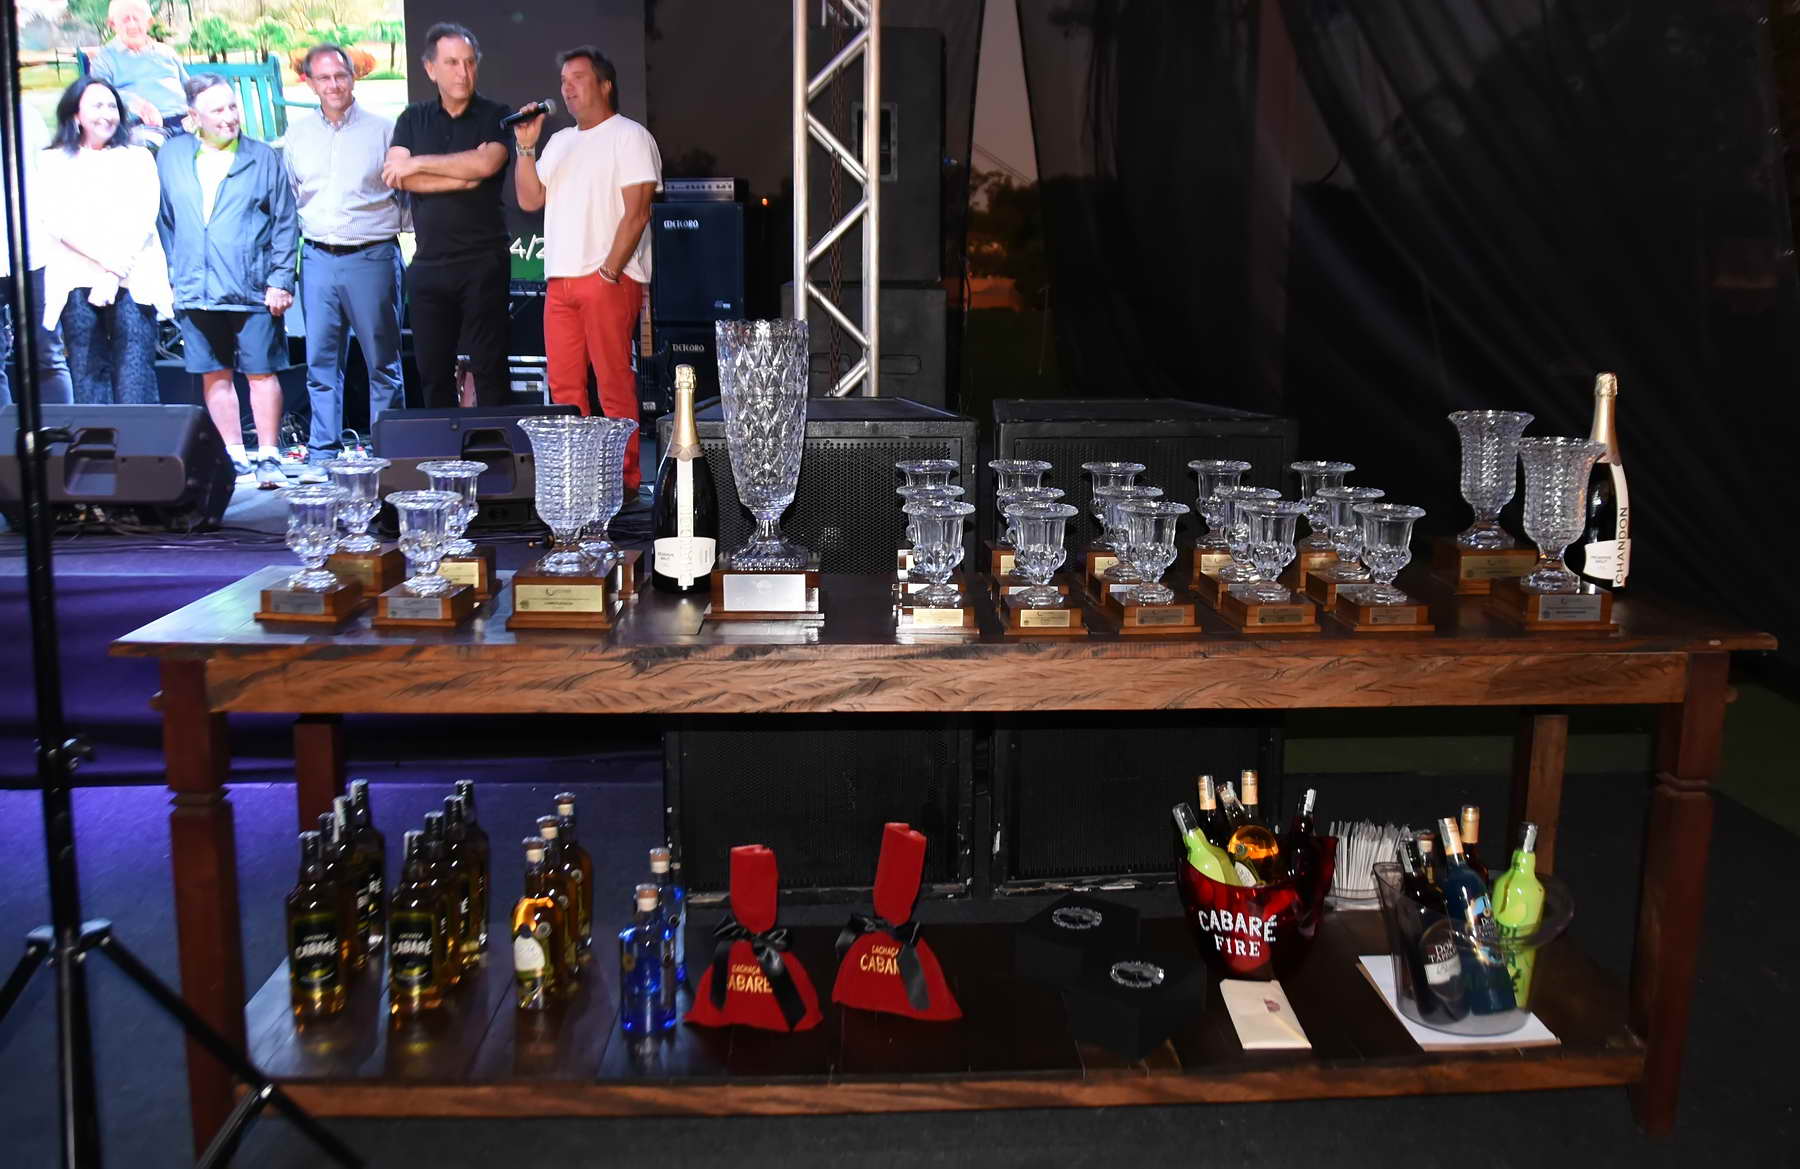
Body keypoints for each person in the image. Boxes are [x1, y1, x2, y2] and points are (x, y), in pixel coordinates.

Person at [512, 46, 660, 494]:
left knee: (612, 382)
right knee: (564, 387)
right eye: (563, 81)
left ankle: (624, 481)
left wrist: (609, 273)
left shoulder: (629, 136)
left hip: (607, 278)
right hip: (560, 280)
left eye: (577, 77)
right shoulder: (560, 141)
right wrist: (525, 146)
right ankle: (575, 480)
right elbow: (529, 199)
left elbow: (638, 212)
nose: (567, 88)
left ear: (605, 84)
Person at [157, 74, 297, 487]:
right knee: (214, 373)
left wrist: (281, 279)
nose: (229, 116)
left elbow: (285, 221)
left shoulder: (261, 157)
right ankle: (234, 455)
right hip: (196, 288)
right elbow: (165, 219)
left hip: (251, 287)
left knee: (261, 372)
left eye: (232, 106)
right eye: (217, 109)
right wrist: (175, 273)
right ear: (193, 116)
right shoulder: (172, 155)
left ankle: (268, 454)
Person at [285, 43, 406, 470]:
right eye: (324, 78)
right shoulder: (297, 135)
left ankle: (387, 454)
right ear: (310, 83)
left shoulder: (384, 130)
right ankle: (322, 454)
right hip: (318, 258)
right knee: (320, 364)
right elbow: (293, 196)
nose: (334, 85)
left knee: (382, 364)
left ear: (353, 77)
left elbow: (405, 196)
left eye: (341, 76)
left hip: (372, 257)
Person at [384, 23, 511, 409]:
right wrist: (462, 174)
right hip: (429, 263)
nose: (463, 72)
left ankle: (494, 444)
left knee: (490, 368)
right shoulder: (412, 118)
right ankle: (441, 447)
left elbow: (486, 165)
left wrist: (418, 164)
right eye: (452, 63)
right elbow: (396, 174)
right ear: (430, 69)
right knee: (433, 372)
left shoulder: (496, 114)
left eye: (470, 63)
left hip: (483, 260)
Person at [38, 76, 173, 405]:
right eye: (97, 106)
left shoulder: (138, 158)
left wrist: (114, 272)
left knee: (135, 375)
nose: (106, 114)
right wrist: (104, 263)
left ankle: (140, 440)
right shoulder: (53, 160)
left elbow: (143, 216)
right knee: (87, 374)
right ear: (75, 114)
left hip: (132, 274)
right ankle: (96, 440)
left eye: (112, 106)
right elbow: (55, 219)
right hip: (76, 276)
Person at [0, 111, 76, 408]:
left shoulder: (24, 115)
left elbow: (48, 179)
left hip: (34, 254)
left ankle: (58, 434)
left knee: (46, 354)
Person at [88, 0, 189, 142]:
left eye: (136, 18)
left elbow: (189, 87)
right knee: (147, 142)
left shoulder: (166, 52)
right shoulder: (104, 59)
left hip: (185, 122)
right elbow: (99, 94)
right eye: (125, 19)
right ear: (112, 24)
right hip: (142, 126)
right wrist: (137, 104)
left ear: (149, 22)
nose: (132, 25)